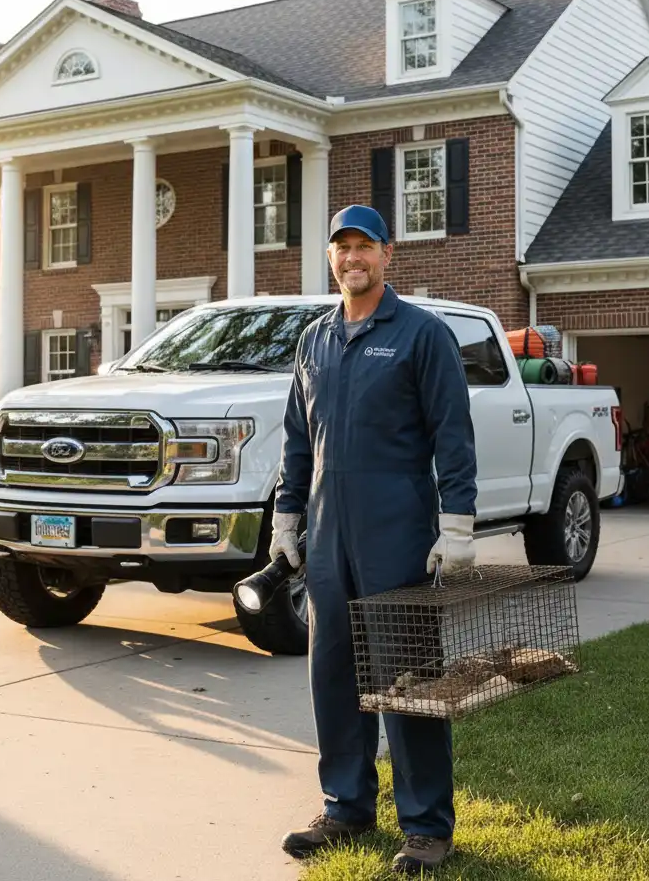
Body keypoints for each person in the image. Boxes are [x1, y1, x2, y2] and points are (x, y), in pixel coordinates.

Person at [271, 204, 478, 875]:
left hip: (398, 528)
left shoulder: (422, 334)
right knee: (332, 674)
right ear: (331, 258)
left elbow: (453, 431)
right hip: (329, 532)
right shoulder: (314, 340)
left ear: (389, 254)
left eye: (364, 246)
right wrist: (285, 518)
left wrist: (459, 521)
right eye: (342, 247)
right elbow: (298, 439)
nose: (352, 257)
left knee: (407, 678)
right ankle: (346, 806)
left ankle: (426, 827)